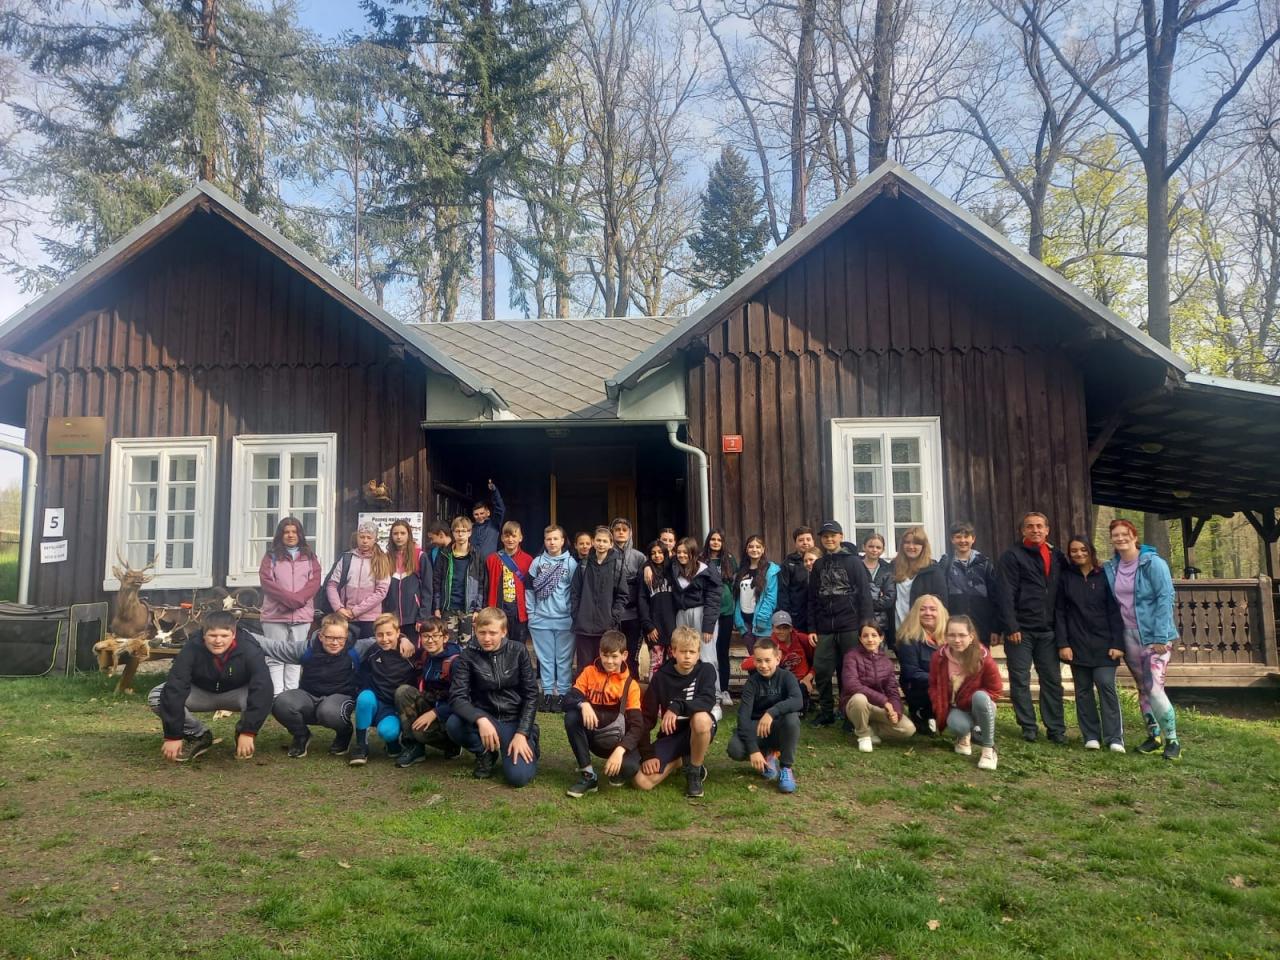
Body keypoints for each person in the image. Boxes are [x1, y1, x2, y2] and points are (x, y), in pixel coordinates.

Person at [149, 611, 273, 762]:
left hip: (237, 693)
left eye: (224, 636)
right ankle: (198, 735)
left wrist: (248, 732)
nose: (218, 641)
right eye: (213, 636)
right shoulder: (192, 647)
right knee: (157, 696)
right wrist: (173, 735)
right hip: (201, 692)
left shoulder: (250, 648)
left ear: (233, 634)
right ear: (204, 635)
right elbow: (177, 684)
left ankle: (241, 734)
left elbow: (262, 686)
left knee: (262, 695)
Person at [1104, 518, 1182, 760]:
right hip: (1128, 636)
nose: (1120, 538)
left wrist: (1160, 636)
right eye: (1115, 535)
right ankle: (1153, 736)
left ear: (1134, 536)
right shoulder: (1111, 568)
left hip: (1154, 636)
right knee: (1142, 688)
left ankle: (1173, 741)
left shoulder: (1153, 563)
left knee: (1155, 688)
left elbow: (1165, 597)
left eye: (1124, 534)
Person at [258, 613, 380, 758]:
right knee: (281, 703)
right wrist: (240, 635)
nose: (335, 642)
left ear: (346, 636)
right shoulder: (307, 648)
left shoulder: (357, 648)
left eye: (340, 638)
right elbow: (275, 647)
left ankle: (344, 733)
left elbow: (385, 638)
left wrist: (402, 638)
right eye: (329, 637)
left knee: (327, 711)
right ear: (321, 636)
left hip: (341, 697)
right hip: (309, 696)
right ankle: (301, 735)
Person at [445, 606, 541, 786]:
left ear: (503, 632)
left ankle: (531, 738)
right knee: (454, 724)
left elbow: (531, 695)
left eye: (493, 633)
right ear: (475, 631)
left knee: (518, 778)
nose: (487, 638)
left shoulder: (518, 651)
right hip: (486, 716)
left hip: (513, 719)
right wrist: (480, 719)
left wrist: (522, 732)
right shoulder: (467, 656)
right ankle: (485, 752)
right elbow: (457, 697)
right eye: (482, 632)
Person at [997, 511, 1068, 744]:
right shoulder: (1012, 556)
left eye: (1039, 526)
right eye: (1030, 526)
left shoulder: (1057, 556)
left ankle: (1055, 729)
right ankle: (1028, 726)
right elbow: (1005, 594)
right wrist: (1011, 626)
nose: (1035, 530)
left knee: (1052, 680)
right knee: (1020, 680)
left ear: (1047, 530)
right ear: (1023, 531)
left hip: (1048, 630)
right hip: (1021, 631)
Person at [1056, 535, 1126, 753]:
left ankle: (1114, 738)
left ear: (1090, 551)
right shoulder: (1066, 578)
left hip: (1105, 643)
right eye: (1074, 551)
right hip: (1077, 643)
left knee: (1106, 685)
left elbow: (1115, 612)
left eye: (1083, 549)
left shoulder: (1105, 575)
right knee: (1083, 690)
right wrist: (1063, 644)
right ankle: (1091, 735)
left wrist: (1118, 643)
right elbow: (1060, 613)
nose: (1079, 554)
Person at [633, 625, 718, 797]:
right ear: (673, 652)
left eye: (692, 652)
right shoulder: (661, 677)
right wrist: (648, 755)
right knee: (642, 782)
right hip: (671, 735)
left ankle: (694, 772)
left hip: (698, 731)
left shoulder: (706, 671)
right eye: (683, 651)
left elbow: (707, 701)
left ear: (698, 653)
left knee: (701, 719)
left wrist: (677, 707)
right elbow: (646, 718)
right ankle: (681, 759)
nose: (687, 656)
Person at [806, 521, 874, 726]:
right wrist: (812, 628)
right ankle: (826, 711)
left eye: (833, 535)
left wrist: (866, 626)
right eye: (825, 536)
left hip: (850, 625)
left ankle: (848, 714)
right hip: (825, 627)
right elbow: (812, 599)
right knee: (822, 669)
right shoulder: (818, 565)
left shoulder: (853, 562)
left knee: (850, 671)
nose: (829, 539)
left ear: (841, 537)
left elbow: (865, 595)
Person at [562, 630, 644, 797]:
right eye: (605, 655)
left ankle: (618, 769)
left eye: (614, 656)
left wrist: (620, 750)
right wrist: (583, 703)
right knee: (571, 717)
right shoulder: (589, 673)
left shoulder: (631, 685)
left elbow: (637, 726)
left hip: (618, 740)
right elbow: (567, 699)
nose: (609, 661)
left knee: (630, 768)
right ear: (600, 653)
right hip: (594, 736)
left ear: (624, 655)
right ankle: (588, 776)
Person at [726, 635, 802, 793]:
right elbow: (743, 718)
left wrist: (771, 712)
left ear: (777, 659)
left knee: (792, 718)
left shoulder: (787, 677)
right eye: (759, 661)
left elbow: (797, 701)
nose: (763, 665)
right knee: (735, 749)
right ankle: (766, 755)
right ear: (754, 661)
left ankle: (786, 768)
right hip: (757, 729)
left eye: (767, 660)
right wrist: (753, 750)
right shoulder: (751, 683)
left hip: (778, 727)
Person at [258, 516, 322, 696]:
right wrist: (289, 600)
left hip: (301, 615)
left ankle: (291, 696)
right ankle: (276, 695)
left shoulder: (310, 557)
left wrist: (298, 599)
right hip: (275, 615)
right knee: (275, 656)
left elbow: (314, 581)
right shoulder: (270, 556)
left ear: (300, 534)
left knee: (295, 656)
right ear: (280, 535)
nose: (290, 535)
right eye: (286, 532)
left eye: (294, 532)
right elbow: (267, 582)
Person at [929, 615, 1002, 771]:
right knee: (958, 725)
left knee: (980, 696)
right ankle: (964, 735)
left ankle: (989, 749)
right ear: (946, 636)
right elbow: (933, 685)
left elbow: (995, 689)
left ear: (971, 636)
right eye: (952, 635)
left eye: (962, 635)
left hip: (979, 706)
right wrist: (939, 705)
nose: (957, 640)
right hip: (956, 708)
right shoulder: (939, 657)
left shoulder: (983, 657)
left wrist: (972, 700)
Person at [350, 613, 420, 765]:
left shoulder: (410, 652)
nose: (385, 638)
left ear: (398, 632)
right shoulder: (373, 651)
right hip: (375, 702)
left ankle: (392, 744)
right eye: (380, 635)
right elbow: (362, 674)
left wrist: (404, 639)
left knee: (388, 732)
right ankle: (361, 745)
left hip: (392, 708)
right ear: (374, 635)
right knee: (364, 697)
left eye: (389, 634)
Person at [393, 617, 463, 767]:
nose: (430, 640)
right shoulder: (424, 655)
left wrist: (436, 713)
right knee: (403, 691)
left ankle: (451, 744)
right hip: (429, 703)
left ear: (445, 638)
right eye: (425, 636)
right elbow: (390, 639)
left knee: (420, 732)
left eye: (435, 636)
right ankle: (414, 748)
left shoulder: (456, 662)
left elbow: (463, 699)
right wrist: (402, 638)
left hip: (449, 713)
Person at [842, 621, 917, 752]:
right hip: (856, 705)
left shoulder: (886, 662)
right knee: (859, 699)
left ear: (881, 638)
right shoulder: (851, 656)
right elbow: (851, 685)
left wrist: (896, 712)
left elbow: (892, 691)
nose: (870, 639)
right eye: (865, 636)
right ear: (860, 639)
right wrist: (884, 701)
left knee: (908, 728)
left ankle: (870, 729)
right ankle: (864, 736)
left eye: (874, 635)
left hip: (877, 708)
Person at [527, 525, 579, 712]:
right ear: (544, 541)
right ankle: (548, 693)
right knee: (546, 659)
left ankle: (563, 694)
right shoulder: (537, 563)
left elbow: (575, 592)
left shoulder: (571, 563)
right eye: (548, 539)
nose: (552, 542)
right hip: (541, 620)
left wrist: (573, 615)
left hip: (565, 620)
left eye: (556, 538)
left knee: (564, 659)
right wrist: (531, 614)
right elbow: (529, 590)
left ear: (563, 541)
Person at [670, 536, 723, 698]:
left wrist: (708, 626)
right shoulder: (674, 567)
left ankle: (714, 694)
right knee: (684, 653)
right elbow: (654, 562)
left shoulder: (706, 571)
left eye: (685, 552)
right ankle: (688, 693)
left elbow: (713, 599)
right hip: (682, 613)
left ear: (693, 553)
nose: (681, 555)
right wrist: (647, 568)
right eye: (679, 552)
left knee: (706, 655)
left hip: (701, 614)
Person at [569, 526, 626, 676]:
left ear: (611, 544)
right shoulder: (584, 564)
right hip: (584, 626)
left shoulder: (617, 566)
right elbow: (574, 592)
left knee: (605, 665)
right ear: (593, 542)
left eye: (605, 541)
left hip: (606, 627)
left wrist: (613, 617)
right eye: (598, 540)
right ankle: (584, 692)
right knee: (585, 668)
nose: (601, 544)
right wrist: (577, 614)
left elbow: (622, 595)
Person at [937, 521, 1004, 646]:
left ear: (973, 539)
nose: (962, 540)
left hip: (981, 627)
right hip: (953, 628)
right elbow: (940, 598)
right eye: (958, 537)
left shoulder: (985, 564)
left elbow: (995, 598)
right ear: (952, 539)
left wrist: (996, 629)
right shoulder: (945, 564)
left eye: (966, 536)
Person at [325, 521, 392, 640]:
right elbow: (331, 585)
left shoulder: (381, 560)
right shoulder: (347, 558)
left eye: (369, 538)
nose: (365, 541)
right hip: (345, 617)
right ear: (357, 537)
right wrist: (339, 608)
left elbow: (381, 592)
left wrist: (355, 611)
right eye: (362, 537)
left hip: (370, 619)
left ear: (375, 539)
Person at [741, 611, 816, 711]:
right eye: (778, 628)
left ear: (791, 628)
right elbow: (745, 665)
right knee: (755, 670)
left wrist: (809, 677)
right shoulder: (770, 644)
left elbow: (819, 659)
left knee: (799, 698)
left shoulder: (802, 639)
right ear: (772, 628)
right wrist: (773, 658)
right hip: (779, 683)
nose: (781, 631)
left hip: (801, 681)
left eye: (785, 628)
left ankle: (803, 704)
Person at [896, 595, 949, 733]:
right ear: (915, 613)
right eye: (923, 609)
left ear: (940, 613)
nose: (928, 613)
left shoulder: (949, 638)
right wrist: (941, 680)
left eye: (933, 609)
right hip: (919, 689)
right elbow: (911, 672)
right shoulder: (908, 639)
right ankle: (922, 713)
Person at [432, 516, 487, 645]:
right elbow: (437, 582)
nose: (460, 534)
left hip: (468, 609)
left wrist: (478, 609)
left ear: (470, 533)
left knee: (467, 646)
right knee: (448, 645)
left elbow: (481, 584)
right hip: (448, 608)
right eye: (457, 531)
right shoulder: (444, 554)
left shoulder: (476, 555)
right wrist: (437, 607)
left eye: (464, 531)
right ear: (452, 533)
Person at [701, 529, 738, 703]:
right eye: (712, 539)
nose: (715, 542)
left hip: (726, 611)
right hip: (708, 611)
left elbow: (734, 584)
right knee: (707, 652)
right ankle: (708, 689)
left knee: (722, 651)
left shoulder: (729, 559)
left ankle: (724, 690)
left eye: (719, 540)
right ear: (708, 541)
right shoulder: (701, 559)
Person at [485, 521, 533, 647]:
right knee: (497, 645)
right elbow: (485, 587)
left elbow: (532, 588)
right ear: (502, 538)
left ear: (520, 538)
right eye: (507, 536)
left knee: (518, 646)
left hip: (519, 611)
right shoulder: (492, 559)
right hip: (498, 609)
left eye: (514, 536)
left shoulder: (528, 560)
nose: (510, 539)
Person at [610, 517, 648, 674]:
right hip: (612, 612)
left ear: (630, 533)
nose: (621, 532)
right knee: (612, 652)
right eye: (617, 529)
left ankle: (632, 684)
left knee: (631, 654)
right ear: (612, 532)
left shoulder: (639, 557)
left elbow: (644, 587)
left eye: (624, 530)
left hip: (633, 613)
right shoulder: (607, 555)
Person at [733, 534, 782, 654]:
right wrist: (738, 620)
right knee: (753, 658)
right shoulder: (741, 570)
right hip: (745, 624)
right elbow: (737, 597)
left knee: (764, 657)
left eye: (758, 547)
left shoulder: (770, 570)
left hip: (762, 624)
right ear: (746, 549)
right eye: (751, 546)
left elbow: (771, 598)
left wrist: (761, 619)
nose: (754, 549)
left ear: (763, 549)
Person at [892, 526, 946, 631]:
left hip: (922, 631)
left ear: (923, 546)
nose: (911, 546)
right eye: (907, 542)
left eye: (916, 543)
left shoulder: (933, 571)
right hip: (896, 628)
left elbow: (942, 605)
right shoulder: (893, 567)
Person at [384, 519, 432, 632]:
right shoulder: (386, 557)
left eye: (402, 533)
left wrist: (422, 617)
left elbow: (427, 589)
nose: (399, 537)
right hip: (391, 618)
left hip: (413, 618)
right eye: (395, 533)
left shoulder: (420, 556)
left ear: (409, 535)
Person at [637, 540, 677, 677]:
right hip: (655, 627)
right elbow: (642, 600)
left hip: (673, 626)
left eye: (660, 552)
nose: (657, 555)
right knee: (656, 664)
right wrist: (648, 625)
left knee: (674, 663)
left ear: (665, 553)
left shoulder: (672, 570)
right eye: (653, 553)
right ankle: (655, 690)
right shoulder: (646, 574)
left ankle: (671, 689)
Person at [861, 532, 896, 648]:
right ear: (864, 547)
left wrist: (868, 603)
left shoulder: (887, 569)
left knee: (878, 653)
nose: (874, 550)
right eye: (871, 546)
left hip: (880, 622)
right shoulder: (856, 566)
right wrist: (877, 596)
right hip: (859, 620)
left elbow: (889, 597)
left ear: (883, 550)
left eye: (878, 547)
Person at [779, 526, 815, 632]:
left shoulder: (821, 560)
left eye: (808, 539)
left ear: (813, 541)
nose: (805, 542)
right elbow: (783, 592)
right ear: (795, 543)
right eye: (801, 540)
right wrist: (787, 615)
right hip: (797, 616)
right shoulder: (788, 563)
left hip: (817, 615)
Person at [469, 480, 506, 560]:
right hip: (473, 564)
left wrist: (495, 491)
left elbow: (500, 509)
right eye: (476, 514)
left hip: (490, 564)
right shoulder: (470, 528)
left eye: (482, 513)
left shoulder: (494, 524)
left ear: (488, 513)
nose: (479, 516)